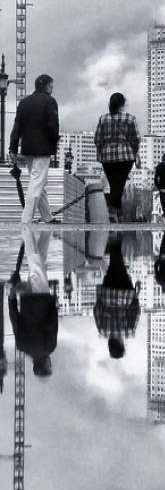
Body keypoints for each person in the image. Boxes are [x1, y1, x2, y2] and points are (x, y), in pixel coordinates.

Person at [8, 73, 59, 224]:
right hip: (43, 147)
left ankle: (47, 217)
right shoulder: (50, 102)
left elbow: (17, 126)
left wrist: (12, 148)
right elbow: (53, 125)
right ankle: (26, 219)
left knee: (39, 181)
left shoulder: (24, 103)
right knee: (37, 182)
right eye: (52, 86)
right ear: (48, 87)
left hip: (28, 147)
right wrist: (54, 141)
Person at [9, 228, 58, 377]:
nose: (51, 363)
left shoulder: (49, 347)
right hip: (27, 301)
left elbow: (52, 324)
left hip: (42, 300)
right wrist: (11, 299)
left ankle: (26, 230)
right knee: (40, 262)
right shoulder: (22, 346)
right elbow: (15, 321)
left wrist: (54, 304)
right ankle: (47, 230)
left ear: (44, 365)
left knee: (36, 265)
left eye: (49, 366)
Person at [94, 92, 141, 223]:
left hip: (107, 156)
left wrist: (100, 151)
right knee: (119, 183)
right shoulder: (130, 118)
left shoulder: (103, 119)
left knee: (114, 183)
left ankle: (117, 212)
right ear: (122, 103)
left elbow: (97, 139)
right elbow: (136, 138)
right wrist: (135, 152)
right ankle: (113, 210)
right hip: (126, 156)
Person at [94, 235, 141, 358]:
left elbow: (135, 311)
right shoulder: (103, 331)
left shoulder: (129, 331)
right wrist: (100, 297)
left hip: (126, 293)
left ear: (121, 344)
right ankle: (114, 241)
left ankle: (116, 239)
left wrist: (135, 295)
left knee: (119, 267)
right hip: (108, 293)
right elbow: (97, 310)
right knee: (114, 267)